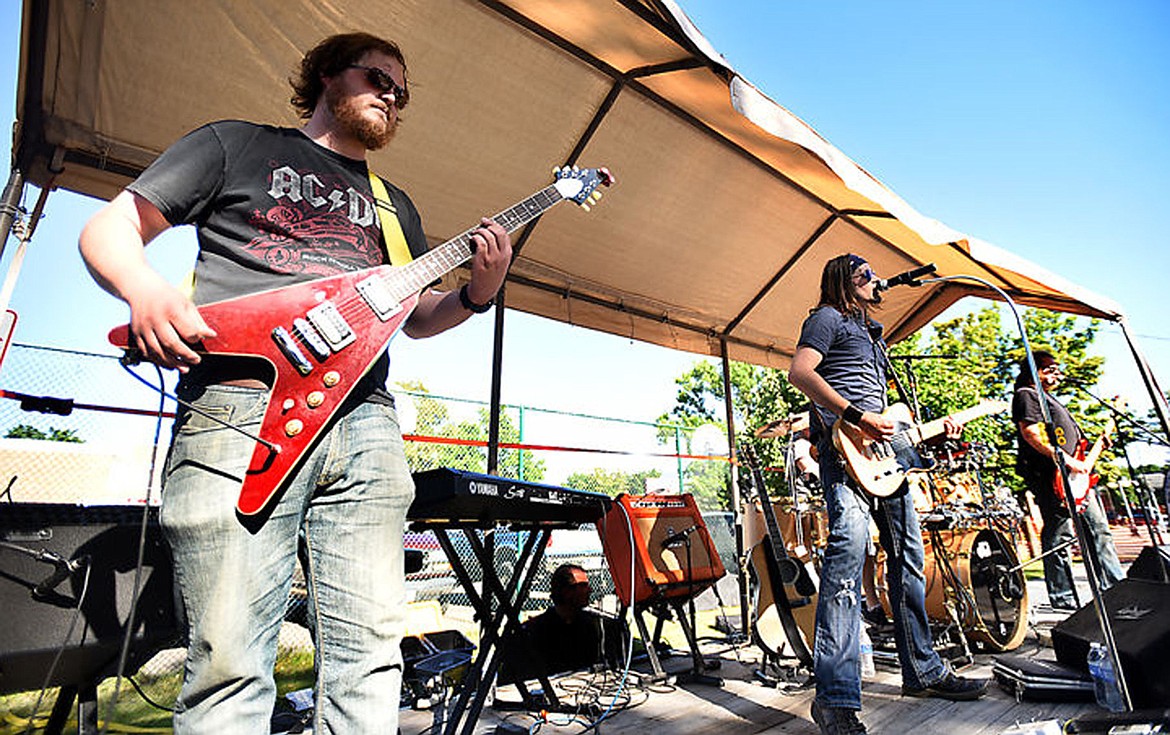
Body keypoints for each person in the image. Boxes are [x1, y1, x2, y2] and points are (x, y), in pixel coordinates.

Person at [78, 33, 512, 735]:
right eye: (379, 77)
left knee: (372, 652)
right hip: (240, 406)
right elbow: (113, 225)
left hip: (366, 419)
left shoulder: (395, 207)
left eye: (402, 90)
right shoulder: (237, 144)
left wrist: (475, 295)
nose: (392, 95)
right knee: (230, 660)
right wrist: (144, 290)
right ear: (326, 76)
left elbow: (416, 318)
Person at [788, 254, 987, 735]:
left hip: (887, 460)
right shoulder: (826, 318)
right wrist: (856, 418)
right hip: (846, 453)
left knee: (909, 562)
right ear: (844, 281)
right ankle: (834, 699)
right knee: (844, 566)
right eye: (865, 275)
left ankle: (923, 671)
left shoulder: (872, 334)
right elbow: (801, 373)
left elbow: (889, 414)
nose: (876, 280)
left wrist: (922, 433)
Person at [1012, 351, 1124, 610]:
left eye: (1057, 369)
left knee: (1099, 531)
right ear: (1033, 371)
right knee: (1059, 536)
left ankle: (1114, 588)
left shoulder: (1050, 399)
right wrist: (1064, 460)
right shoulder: (1026, 395)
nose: (1057, 373)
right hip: (1052, 477)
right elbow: (1031, 434)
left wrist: (1093, 451)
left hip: (1077, 479)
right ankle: (1063, 598)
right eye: (1049, 369)